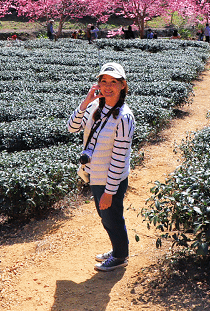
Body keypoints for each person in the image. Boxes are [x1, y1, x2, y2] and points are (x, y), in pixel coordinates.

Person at [67, 62, 135, 272]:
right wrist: (86, 102)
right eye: (103, 81)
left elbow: (119, 158)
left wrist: (109, 191)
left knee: (111, 216)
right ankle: (117, 249)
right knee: (107, 217)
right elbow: (71, 128)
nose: (107, 86)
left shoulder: (124, 117)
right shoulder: (94, 107)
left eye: (113, 82)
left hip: (110, 179)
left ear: (123, 85)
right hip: (95, 175)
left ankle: (120, 256)